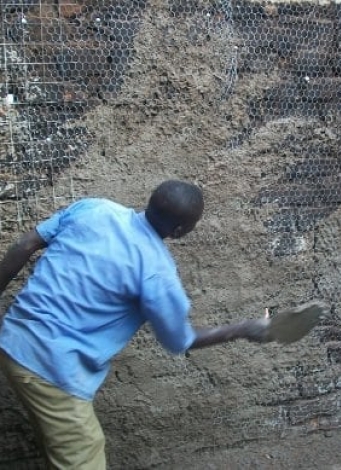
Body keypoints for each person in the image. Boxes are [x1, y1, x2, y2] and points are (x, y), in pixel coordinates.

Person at [0, 179, 270, 469]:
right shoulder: (157, 272)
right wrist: (244, 329)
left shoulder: (94, 209)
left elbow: (24, 245)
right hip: (51, 368)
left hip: (13, 339)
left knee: (60, 444)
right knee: (84, 455)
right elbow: (180, 341)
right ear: (180, 231)